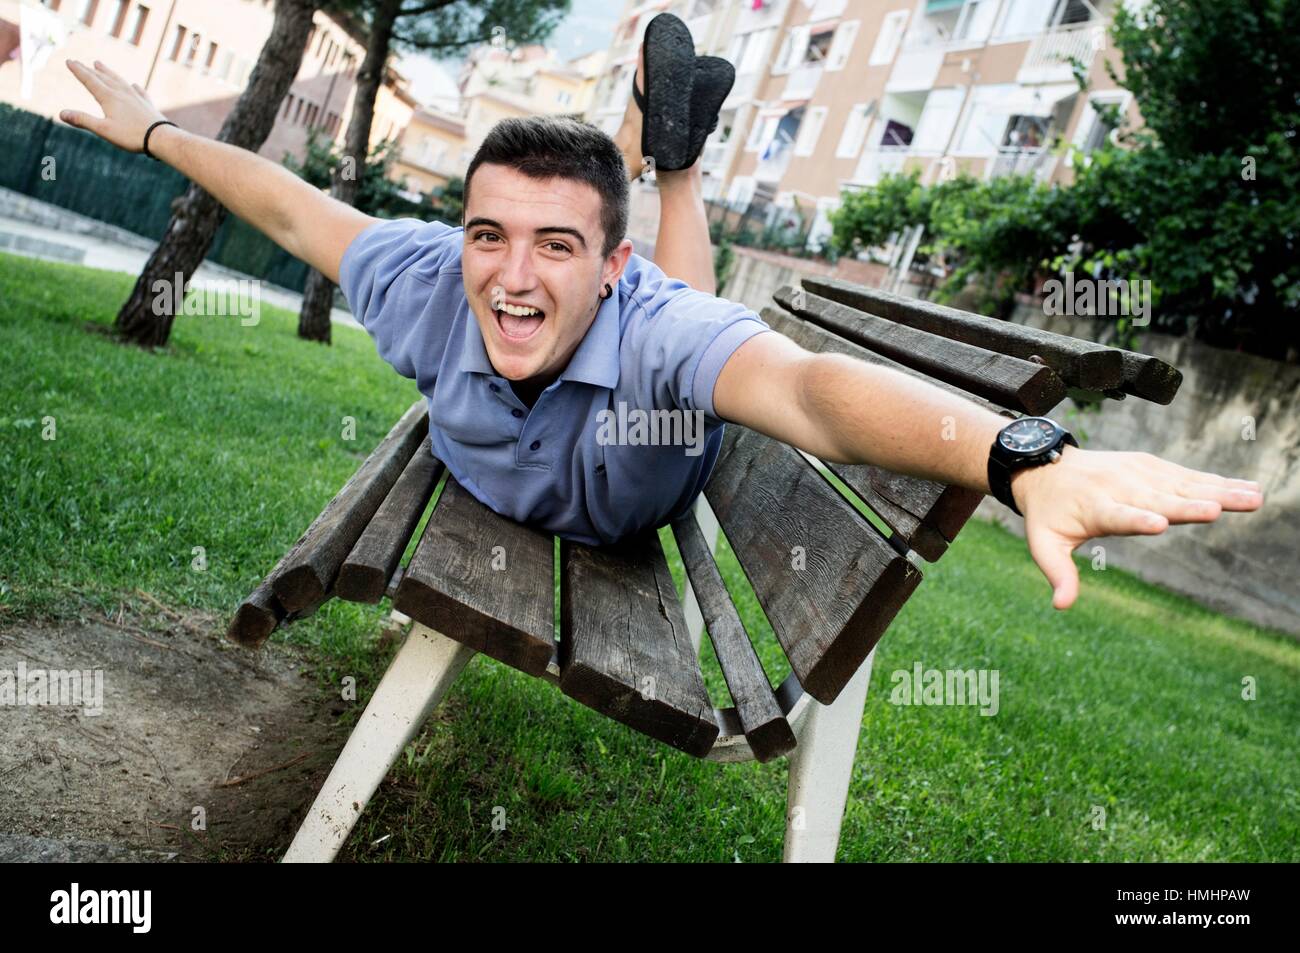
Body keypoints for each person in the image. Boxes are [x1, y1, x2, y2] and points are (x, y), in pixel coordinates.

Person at [58, 56, 1264, 611]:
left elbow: (815, 396)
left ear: (608, 260)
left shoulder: (649, 330)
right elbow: (295, 205)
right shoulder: (432, 272)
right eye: (491, 233)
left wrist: (1023, 457)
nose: (510, 275)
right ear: (461, 230)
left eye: (556, 244)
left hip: (655, 466)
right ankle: (670, 156)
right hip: (598, 415)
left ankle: (669, 163)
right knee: (687, 322)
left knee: (694, 342)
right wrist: (156, 130)